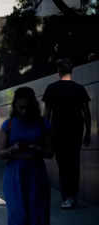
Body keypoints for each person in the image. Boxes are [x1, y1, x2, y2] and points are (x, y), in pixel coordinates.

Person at [0, 87, 53, 225]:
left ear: (33, 105)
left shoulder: (42, 124)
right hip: (14, 174)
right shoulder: (9, 124)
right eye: (20, 107)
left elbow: (49, 152)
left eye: (27, 107)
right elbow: (1, 153)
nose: (24, 111)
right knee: (18, 215)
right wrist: (13, 149)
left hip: (36, 173)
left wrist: (36, 148)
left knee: (38, 214)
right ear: (15, 106)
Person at [42, 58, 91, 209]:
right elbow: (86, 113)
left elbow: (47, 114)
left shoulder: (51, 88)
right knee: (74, 164)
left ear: (58, 71)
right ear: (72, 71)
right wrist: (88, 132)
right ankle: (72, 196)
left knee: (63, 166)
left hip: (58, 132)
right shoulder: (79, 89)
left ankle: (66, 198)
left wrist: (44, 134)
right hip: (76, 131)